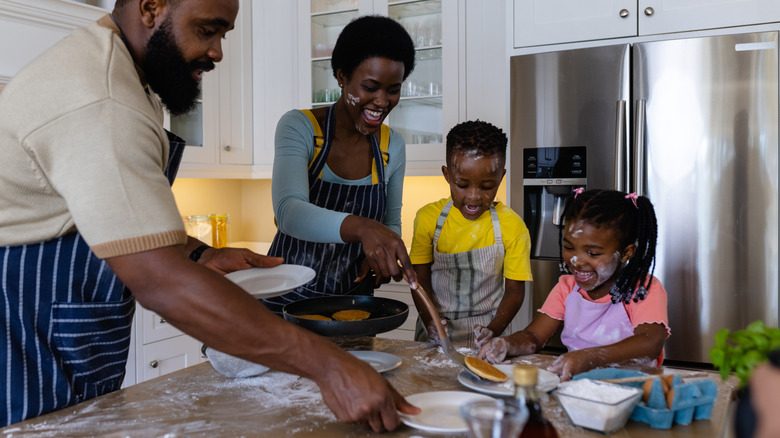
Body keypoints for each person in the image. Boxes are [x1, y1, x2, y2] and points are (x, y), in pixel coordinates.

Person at [0, 0, 418, 430]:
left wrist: (199, 253)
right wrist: (329, 366)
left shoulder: (128, 83)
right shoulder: (104, 100)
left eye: (224, 35)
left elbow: (106, 219)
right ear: (151, 8)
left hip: (63, 350)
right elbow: (161, 281)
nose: (218, 52)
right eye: (207, 30)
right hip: (25, 354)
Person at [263, 15, 418, 315]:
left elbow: (390, 223)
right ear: (341, 76)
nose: (382, 102)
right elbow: (289, 212)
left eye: (393, 90)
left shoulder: (392, 146)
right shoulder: (301, 127)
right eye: (370, 87)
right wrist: (363, 228)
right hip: (284, 305)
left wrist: (381, 254)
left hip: (351, 306)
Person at [478, 189, 669, 381]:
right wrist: (507, 343)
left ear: (627, 253)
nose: (576, 260)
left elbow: (650, 343)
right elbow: (534, 337)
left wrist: (590, 357)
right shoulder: (567, 288)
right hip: (579, 386)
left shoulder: (642, 289)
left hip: (633, 387)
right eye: (569, 247)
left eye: (593, 253)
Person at [409, 120, 532, 346]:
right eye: (462, 185)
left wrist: (493, 330)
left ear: (501, 178)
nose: (474, 197)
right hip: (435, 328)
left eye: (486, 187)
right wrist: (431, 321)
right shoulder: (428, 219)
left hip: (487, 332)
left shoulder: (512, 226)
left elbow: (515, 292)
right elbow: (419, 280)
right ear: (447, 175)